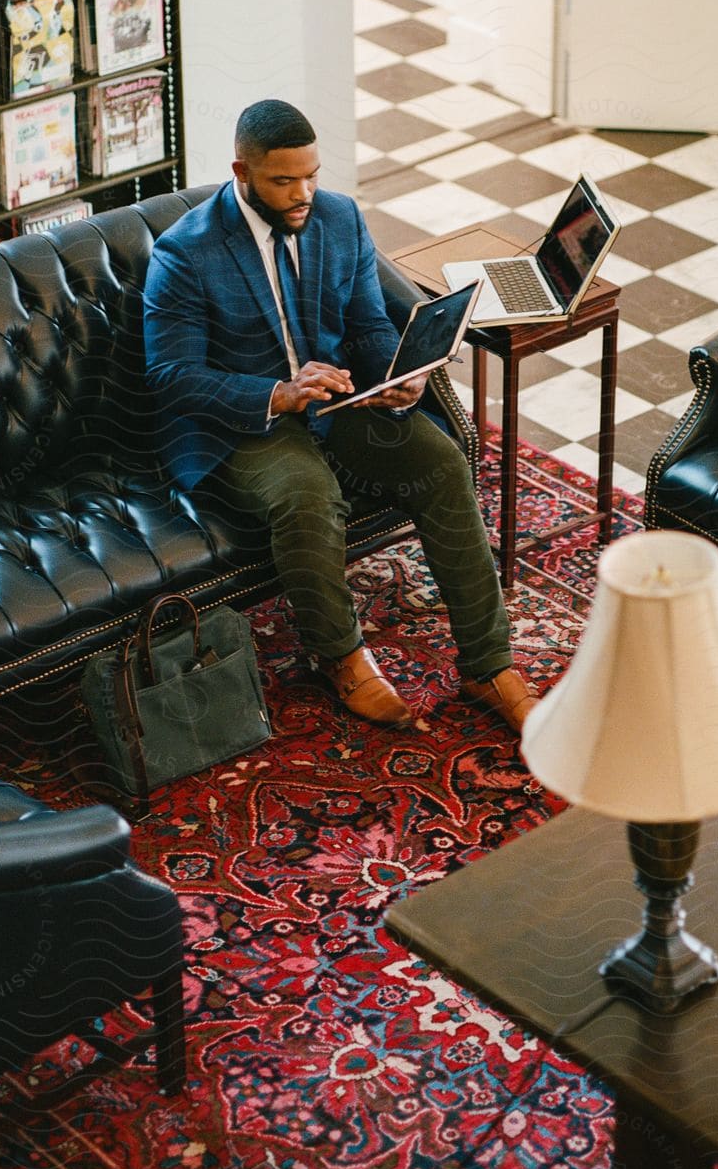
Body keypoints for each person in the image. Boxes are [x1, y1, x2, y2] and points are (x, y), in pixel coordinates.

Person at [142, 98, 536, 735]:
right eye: (283, 181)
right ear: (241, 171)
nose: (303, 194)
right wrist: (278, 392)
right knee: (306, 492)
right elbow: (171, 376)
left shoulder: (339, 218)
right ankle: (341, 657)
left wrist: (397, 376)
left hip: (336, 402)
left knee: (438, 457)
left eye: (312, 175)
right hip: (243, 421)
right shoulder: (185, 254)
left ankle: (488, 665)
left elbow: (368, 323)